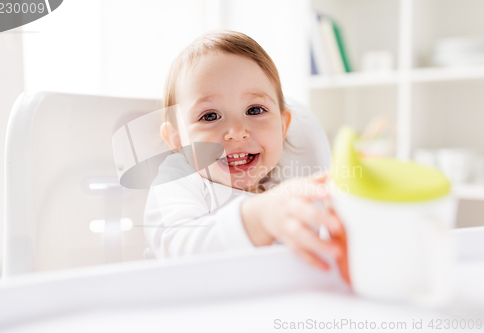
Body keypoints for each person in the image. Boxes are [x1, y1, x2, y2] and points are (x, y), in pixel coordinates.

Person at [144, 30, 349, 283]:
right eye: (209, 116)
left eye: (254, 110)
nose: (237, 132)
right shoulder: (178, 182)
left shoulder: (281, 193)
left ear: (283, 126)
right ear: (177, 141)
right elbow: (178, 249)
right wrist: (259, 218)